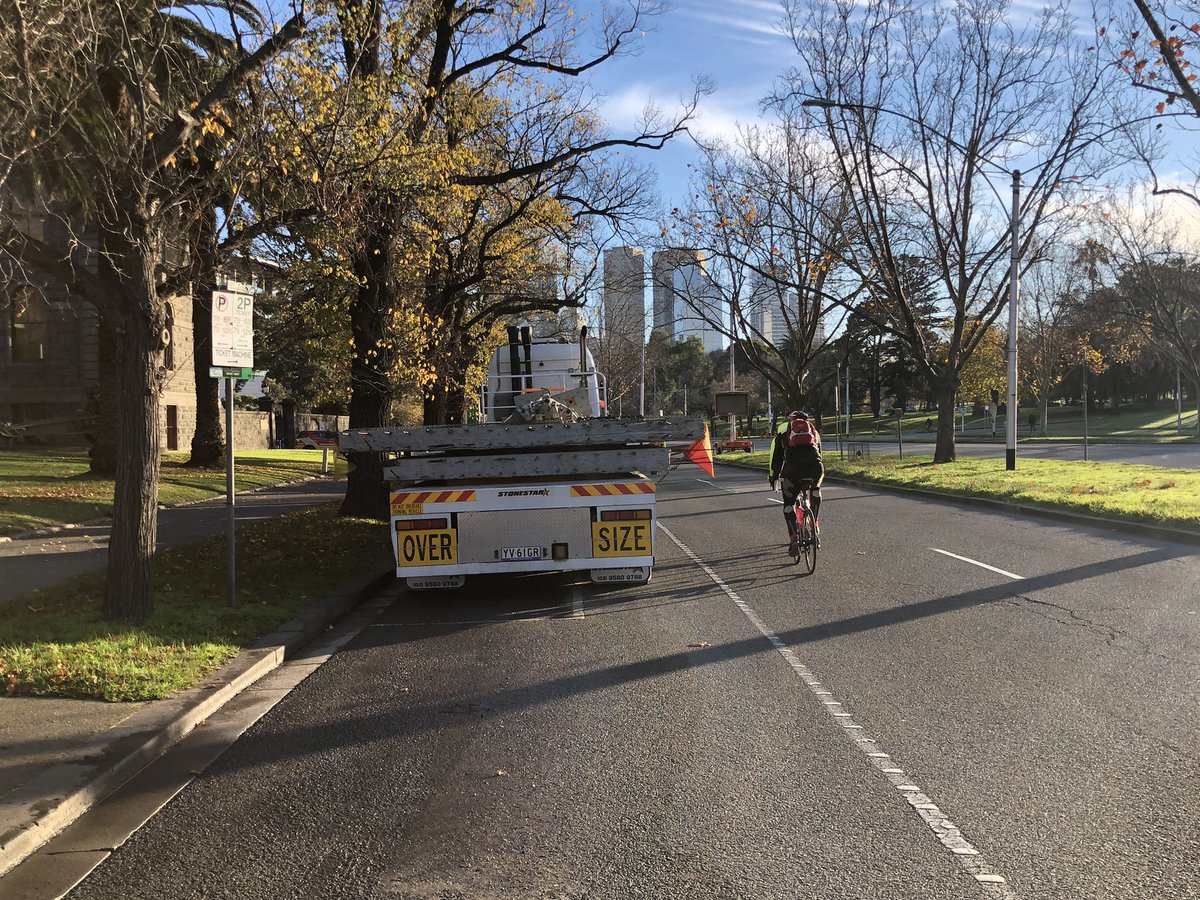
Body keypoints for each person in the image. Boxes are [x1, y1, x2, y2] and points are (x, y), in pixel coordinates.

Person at [768, 410, 825, 554]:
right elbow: (819, 454)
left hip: (792, 470)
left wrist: (773, 476)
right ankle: (815, 524)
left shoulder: (783, 430)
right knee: (815, 490)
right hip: (815, 467)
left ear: (790, 420)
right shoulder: (813, 431)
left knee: (788, 504)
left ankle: (794, 538)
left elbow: (775, 458)